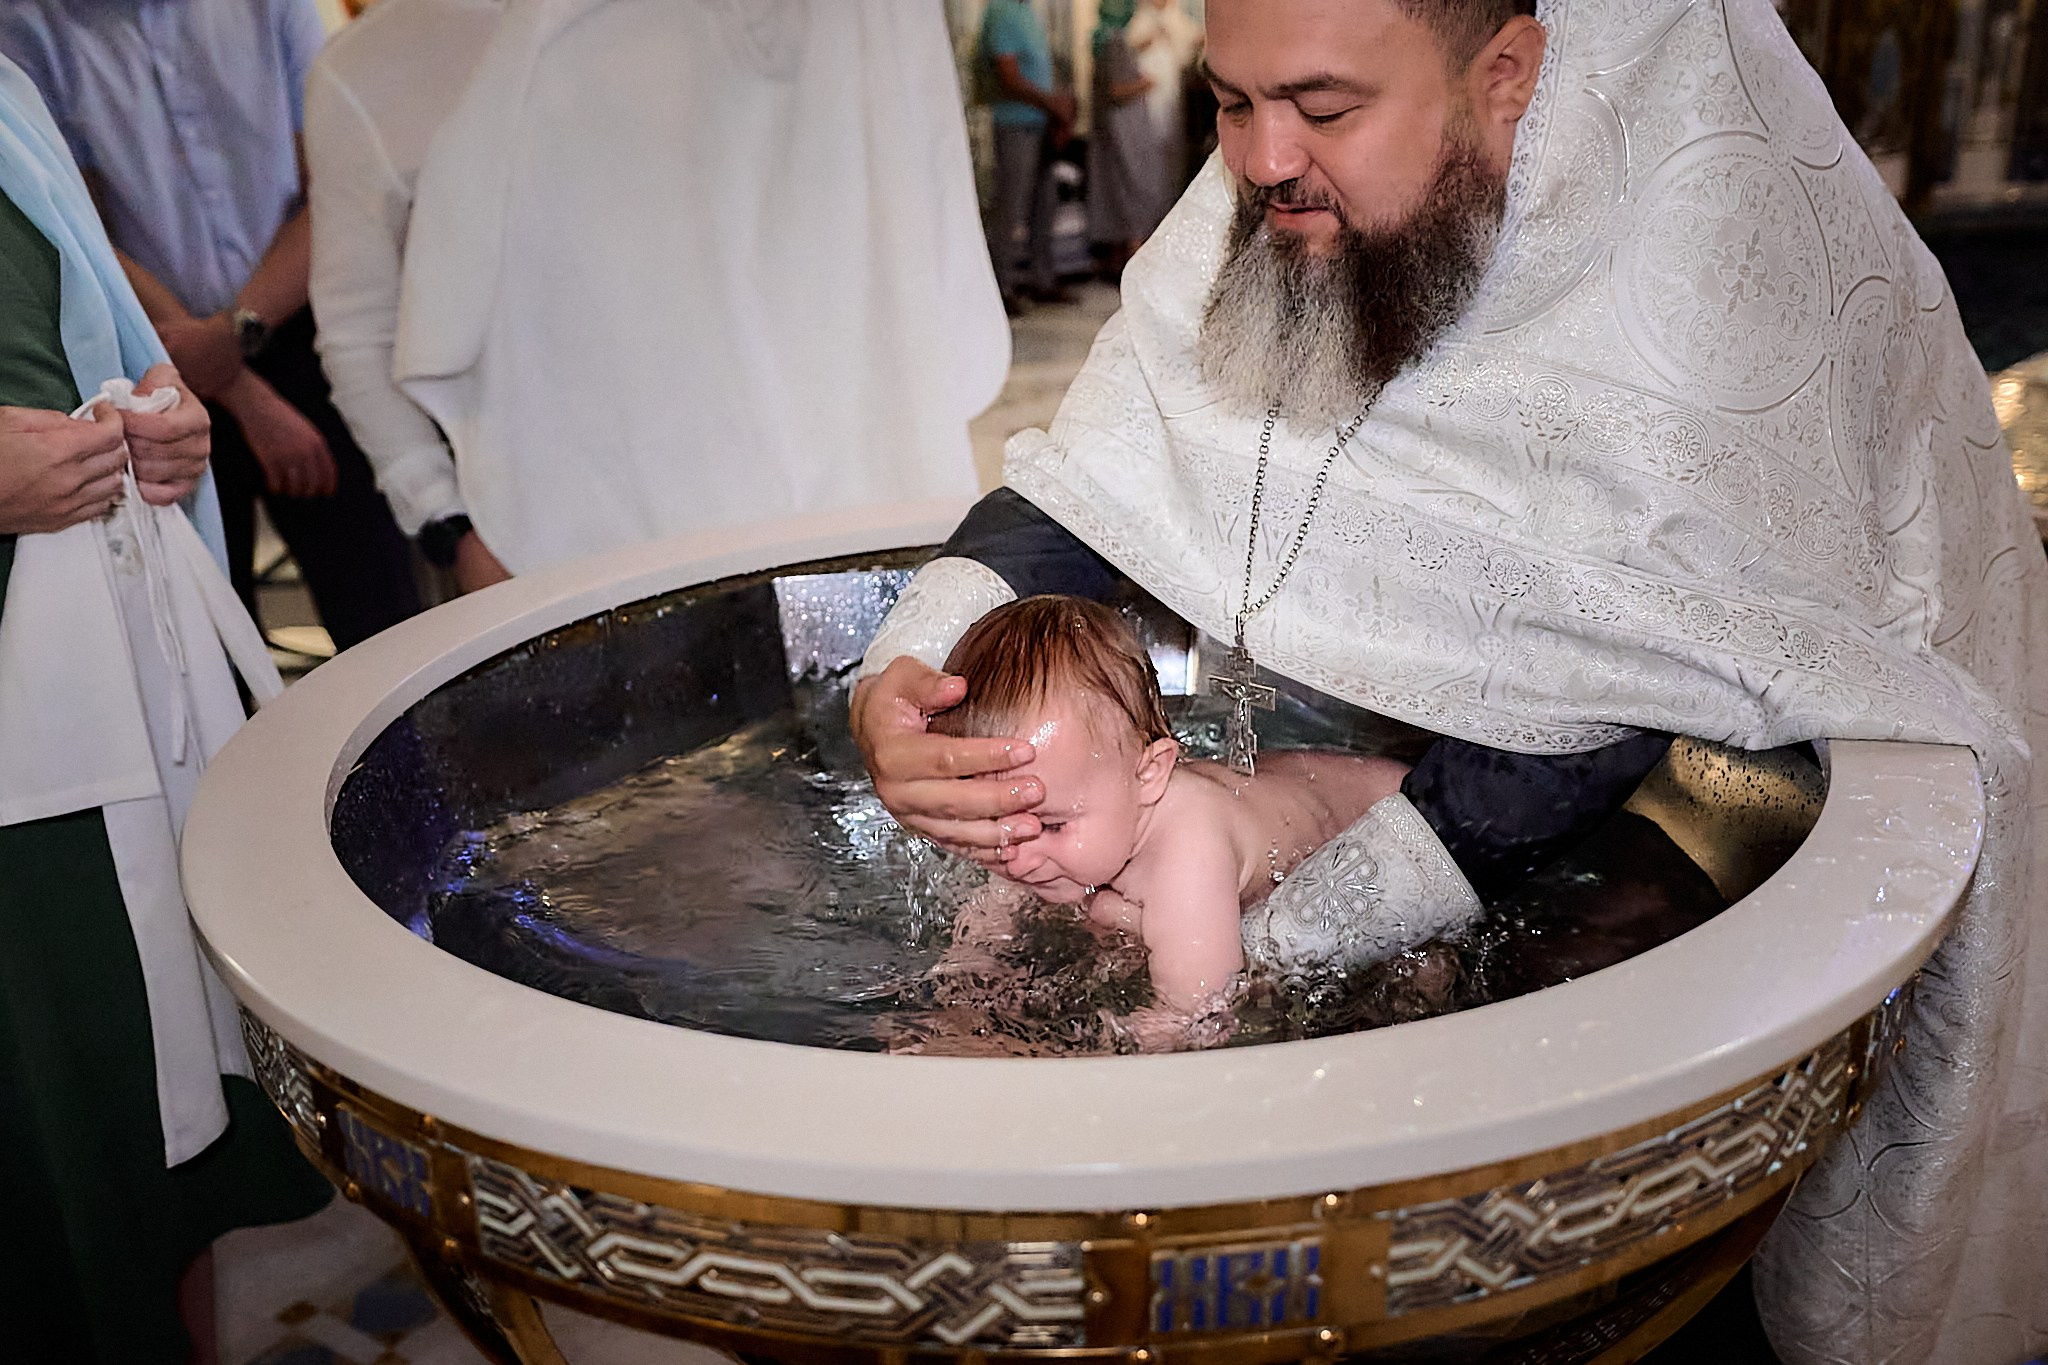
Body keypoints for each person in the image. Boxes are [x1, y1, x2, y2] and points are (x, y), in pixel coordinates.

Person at [849, 2, 2048, 1362]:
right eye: (1229, 103)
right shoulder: (1288, 155)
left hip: (1721, 787)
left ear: (1508, 73)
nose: (1256, 162)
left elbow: (1646, 646)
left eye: (1319, 108)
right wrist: (910, 666)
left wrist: (1322, 921)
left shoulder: (1701, 237)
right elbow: (1102, 469)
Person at [0, 55, 332, 1365]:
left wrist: (169, 426)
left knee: (131, 1082)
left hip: (91, 676)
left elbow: (89, 327)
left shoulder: (9, 80)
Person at [392, 0, 1008, 578]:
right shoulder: (571, 56)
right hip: (761, 469)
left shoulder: (562, 57)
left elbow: (463, 294)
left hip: (687, 495)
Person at [0, 0, 422, 651]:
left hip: (301, 327)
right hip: (151, 357)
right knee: (208, 641)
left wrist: (234, 335)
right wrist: (231, 380)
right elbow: (80, 230)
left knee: (385, 613)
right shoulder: (29, 28)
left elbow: (335, 190)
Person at [931, 594, 1421, 1013]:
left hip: (1404, 820)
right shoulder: (1045, 820)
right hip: (1310, 781)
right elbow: (982, 938)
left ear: (1148, 775)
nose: (1014, 854)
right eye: (992, 818)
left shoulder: (1186, 850)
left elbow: (1197, 1016)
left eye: (1053, 826)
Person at [304, 0, 507, 592]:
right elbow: (356, 330)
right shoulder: (368, 68)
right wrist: (447, 521)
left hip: (734, 487)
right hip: (508, 520)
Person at [978, 0, 1078, 312]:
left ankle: (1042, 280)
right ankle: (1000, 288)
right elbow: (1008, 76)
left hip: (1041, 124)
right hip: (1015, 124)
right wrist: (1051, 103)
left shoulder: (1026, 11)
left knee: (1043, 205)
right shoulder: (1002, 11)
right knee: (1010, 208)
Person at [1087, 0, 1173, 278]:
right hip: (1126, 132)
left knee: (1121, 190)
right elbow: (1116, 88)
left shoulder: (1108, 40)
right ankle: (1133, 265)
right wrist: (1145, 84)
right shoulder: (1111, 41)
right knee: (1135, 190)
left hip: (1121, 130)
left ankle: (1122, 261)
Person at [1126, 0, 1204, 184]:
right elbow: (1128, 48)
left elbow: (1192, 40)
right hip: (1145, 95)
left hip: (1171, 94)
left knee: (1171, 142)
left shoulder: (1177, 17)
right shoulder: (1140, 18)